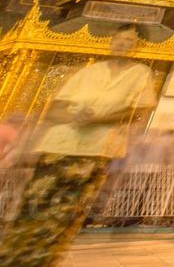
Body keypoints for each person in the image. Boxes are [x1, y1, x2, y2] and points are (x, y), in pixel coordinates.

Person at [0, 25, 155, 267]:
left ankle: (42, 259)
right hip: (58, 145)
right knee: (34, 204)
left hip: (95, 151)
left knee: (65, 212)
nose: (123, 43)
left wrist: (98, 119)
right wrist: (75, 117)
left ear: (138, 47)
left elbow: (137, 111)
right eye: (119, 38)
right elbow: (56, 105)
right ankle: (13, 256)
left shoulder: (140, 74)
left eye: (129, 40)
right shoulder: (89, 71)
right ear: (111, 40)